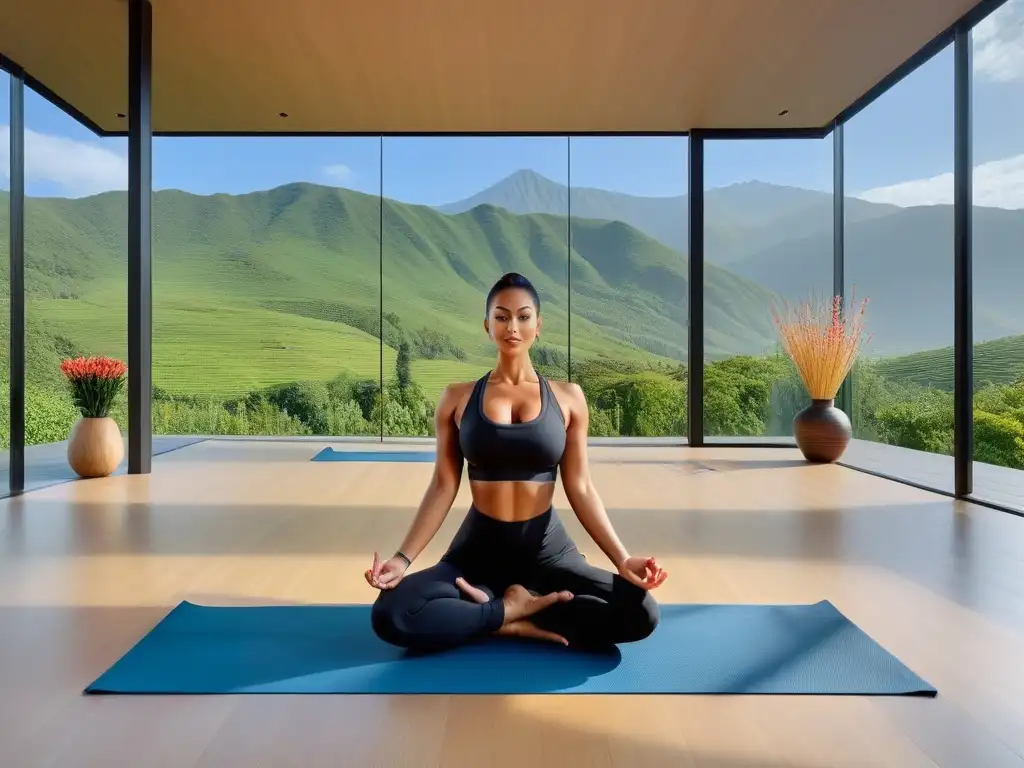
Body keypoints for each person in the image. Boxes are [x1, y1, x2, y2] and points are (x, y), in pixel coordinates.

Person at [365, 272, 668, 652]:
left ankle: (508, 610)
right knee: (391, 613)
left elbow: (581, 487)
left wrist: (622, 559)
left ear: (538, 325)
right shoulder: (456, 398)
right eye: (502, 316)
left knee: (642, 612)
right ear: (487, 323)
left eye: (524, 317)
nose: (513, 326)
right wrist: (401, 560)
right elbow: (443, 485)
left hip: (548, 553)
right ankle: (506, 617)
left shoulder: (569, 398)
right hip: (477, 554)